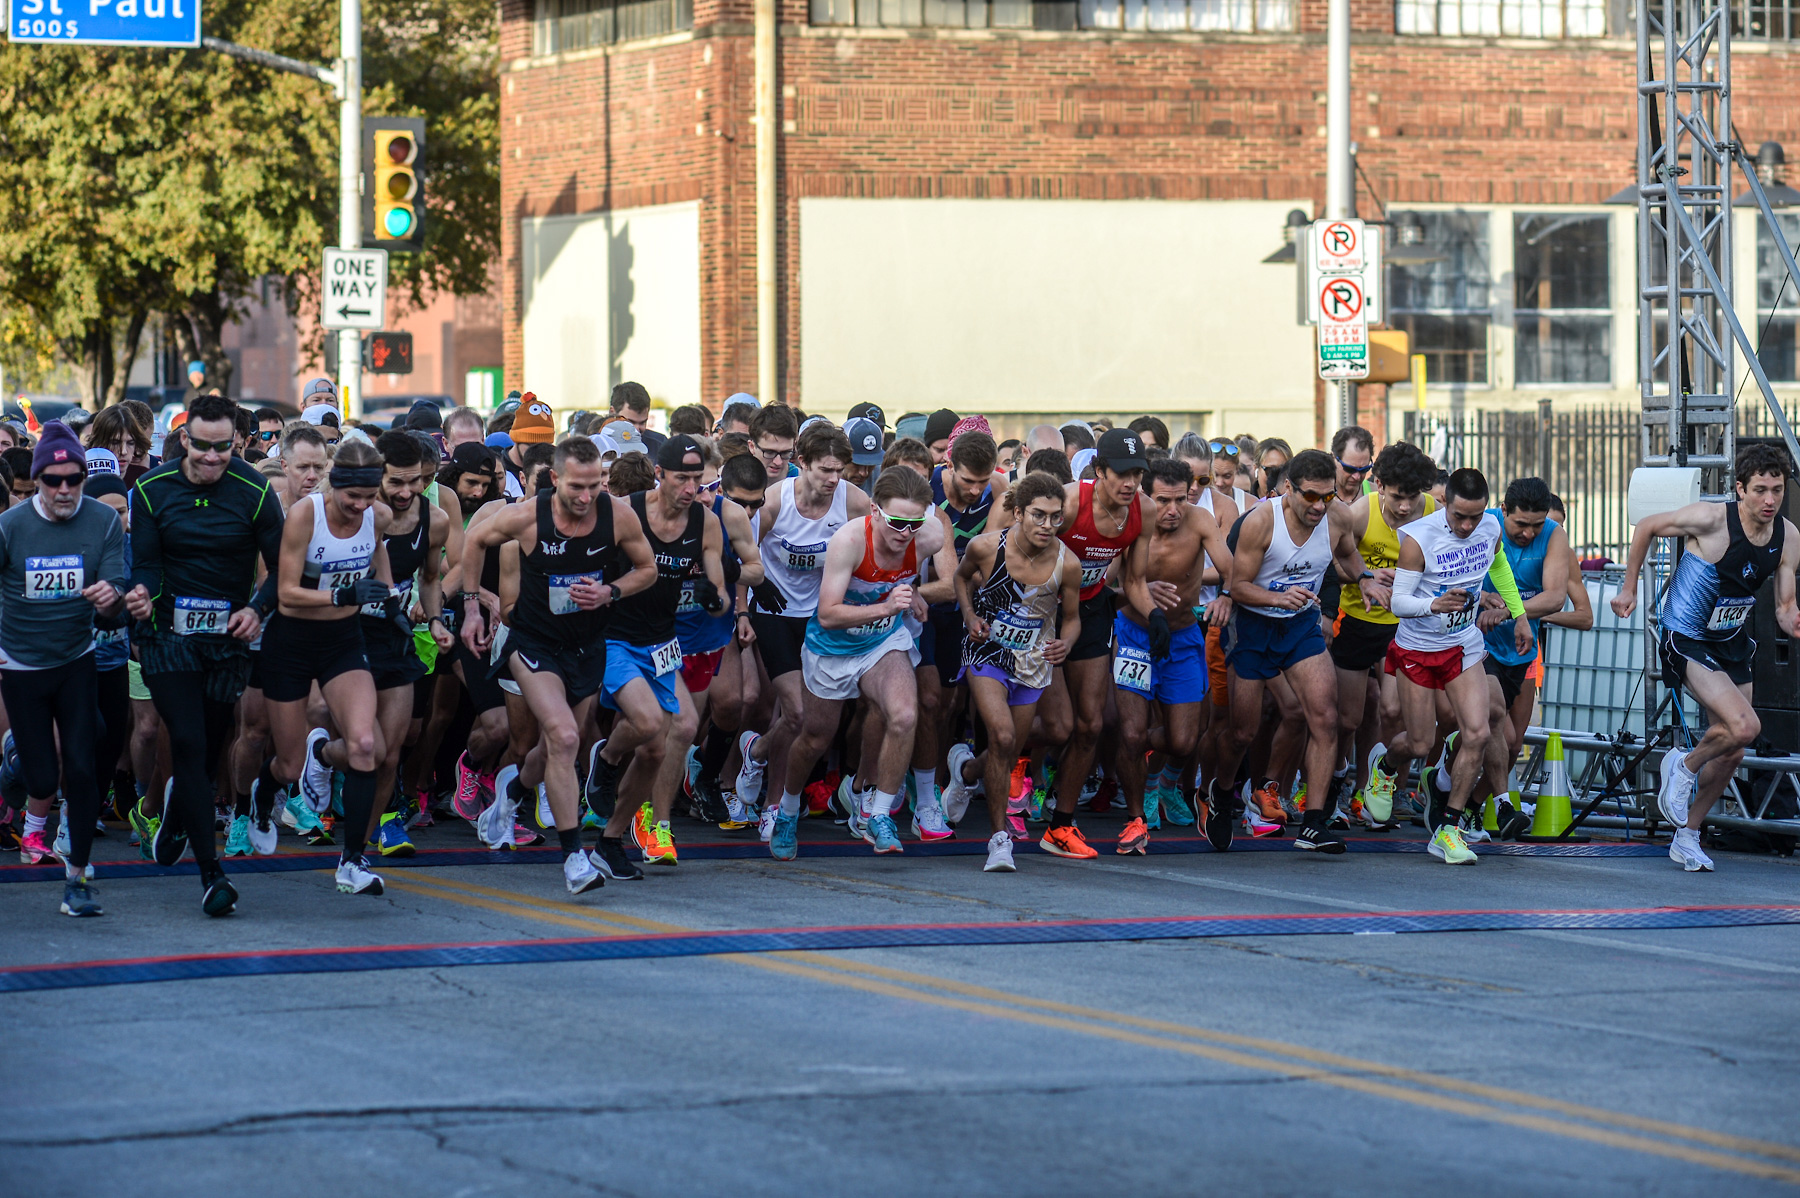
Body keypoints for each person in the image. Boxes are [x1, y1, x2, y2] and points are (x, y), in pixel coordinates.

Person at [461, 435, 657, 892]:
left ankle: (509, 796)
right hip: (534, 644)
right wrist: (472, 605)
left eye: (595, 486)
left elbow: (646, 569)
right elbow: (474, 541)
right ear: (555, 479)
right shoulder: (530, 516)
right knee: (565, 736)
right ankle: (574, 858)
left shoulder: (616, 515)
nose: (587, 497)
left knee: (552, 749)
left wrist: (611, 592)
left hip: (587, 645)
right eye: (576, 487)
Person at [123, 394, 285, 917]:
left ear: (236, 442)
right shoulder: (151, 489)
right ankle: (212, 875)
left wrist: (258, 609)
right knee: (188, 740)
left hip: (227, 637)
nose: (213, 458)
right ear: (184, 438)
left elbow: (284, 568)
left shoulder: (255, 491)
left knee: (211, 744)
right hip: (168, 636)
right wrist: (141, 594)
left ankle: (175, 817)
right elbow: (146, 564)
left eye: (225, 448)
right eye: (203, 447)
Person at [1612, 443, 1800, 872]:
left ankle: (1688, 835)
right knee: (1744, 725)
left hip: (1731, 641)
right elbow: (1646, 527)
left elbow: (1784, 606)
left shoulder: (1788, 536)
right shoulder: (1711, 518)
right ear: (1739, 489)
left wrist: (1792, 621)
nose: (1770, 500)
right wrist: (1629, 587)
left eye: (1777, 490)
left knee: (1733, 747)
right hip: (1688, 637)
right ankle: (1683, 763)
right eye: (1760, 490)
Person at [766, 467, 943, 860]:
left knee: (904, 715)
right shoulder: (849, 540)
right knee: (815, 736)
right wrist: (887, 603)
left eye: (914, 523)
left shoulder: (929, 537)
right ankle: (788, 810)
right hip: (832, 647)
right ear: (876, 511)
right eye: (896, 521)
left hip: (882, 642)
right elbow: (827, 613)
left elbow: (916, 578)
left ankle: (879, 814)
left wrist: (911, 591)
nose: (905, 533)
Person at [251, 438, 402, 896]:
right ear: (334, 486)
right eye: (351, 496)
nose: (359, 506)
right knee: (289, 761)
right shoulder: (305, 516)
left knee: (364, 746)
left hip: (342, 640)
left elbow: (377, 554)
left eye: (369, 496)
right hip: (292, 640)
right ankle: (263, 795)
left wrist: (389, 596)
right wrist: (343, 594)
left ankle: (352, 861)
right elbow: (286, 592)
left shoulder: (378, 516)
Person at [1212, 449, 1375, 854]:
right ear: (1288, 488)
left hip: (1299, 625)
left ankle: (1315, 822)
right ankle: (1220, 790)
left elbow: (1347, 554)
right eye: (1310, 497)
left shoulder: (1336, 516)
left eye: (1327, 496)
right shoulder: (1261, 522)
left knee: (1325, 715)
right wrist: (1275, 597)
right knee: (1243, 730)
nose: (1319, 506)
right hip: (1252, 625)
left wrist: (1366, 579)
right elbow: (1237, 585)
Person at [0, 424, 127, 915]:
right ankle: (15, 764)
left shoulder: (102, 521)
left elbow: (116, 587)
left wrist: (111, 597)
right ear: (39, 480)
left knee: (81, 763)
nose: (64, 490)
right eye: (52, 480)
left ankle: (76, 879)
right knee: (40, 780)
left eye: (73, 478)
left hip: (76, 657)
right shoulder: (11, 526)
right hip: (21, 664)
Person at [588, 435, 727, 867]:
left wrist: (711, 596)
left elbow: (722, 595)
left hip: (662, 641)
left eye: (697, 479)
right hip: (613, 635)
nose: (690, 488)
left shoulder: (705, 523)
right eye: (682, 478)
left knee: (668, 737)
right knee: (649, 722)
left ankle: (622, 836)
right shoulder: (625, 509)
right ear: (659, 474)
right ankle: (608, 757)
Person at [1383, 468, 1531, 866]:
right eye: (1459, 516)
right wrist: (1433, 605)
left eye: (1475, 516)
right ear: (1445, 502)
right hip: (1417, 648)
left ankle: (1449, 827)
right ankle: (1385, 765)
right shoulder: (1419, 538)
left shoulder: (1489, 528)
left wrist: (1518, 614)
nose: (1467, 525)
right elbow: (1398, 603)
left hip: (1462, 646)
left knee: (1479, 733)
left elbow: (1498, 566)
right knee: (1417, 743)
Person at [736, 423, 871, 836]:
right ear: (802, 464)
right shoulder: (776, 502)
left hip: (820, 617)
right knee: (793, 715)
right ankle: (774, 807)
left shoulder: (854, 501)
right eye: (824, 470)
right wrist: (743, 611)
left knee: (806, 721)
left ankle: (756, 750)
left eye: (839, 470)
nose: (833, 479)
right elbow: (744, 556)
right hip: (773, 611)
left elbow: (879, 548)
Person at [1112, 456, 1233, 853]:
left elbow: (1231, 571)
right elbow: (1108, 583)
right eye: (1163, 500)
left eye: (1180, 499)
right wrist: (1143, 589)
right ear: (1147, 494)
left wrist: (1227, 599)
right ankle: (1136, 818)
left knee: (1185, 739)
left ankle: (1151, 777)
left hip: (1182, 637)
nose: (1173, 510)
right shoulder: (1129, 521)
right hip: (1134, 636)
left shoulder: (1199, 521)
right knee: (1131, 733)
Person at [1045, 428, 1151, 837]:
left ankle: (1062, 825)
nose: (1130, 484)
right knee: (1055, 727)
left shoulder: (1144, 509)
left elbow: (1137, 581)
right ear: (1100, 471)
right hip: (1042, 611)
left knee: (1090, 725)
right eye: (1121, 474)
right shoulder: (1070, 503)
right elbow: (1023, 552)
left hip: (1090, 609)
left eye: (1137, 474)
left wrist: (1154, 617)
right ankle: (974, 768)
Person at [361, 431, 456, 856]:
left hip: (395, 636)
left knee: (393, 747)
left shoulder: (434, 520)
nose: (406, 492)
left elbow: (431, 579)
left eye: (414, 481)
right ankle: (320, 765)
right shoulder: (356, 513)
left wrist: (435, 619)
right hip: (346, 636)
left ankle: (381, 825)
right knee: (357, 739)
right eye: (395, 482)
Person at [1332, 441, 1436, 826]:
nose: (1406, 506)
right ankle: (1337, 782)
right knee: (1348, 718)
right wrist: (1366, 575)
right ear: (1378, 484)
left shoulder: (1432, 511)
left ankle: (1383, 789)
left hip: (1404, 626)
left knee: (1394, 711)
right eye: (1397, 497)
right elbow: (1332, 564)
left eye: (1412, 497)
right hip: (1359, 621)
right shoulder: (1359, 514)